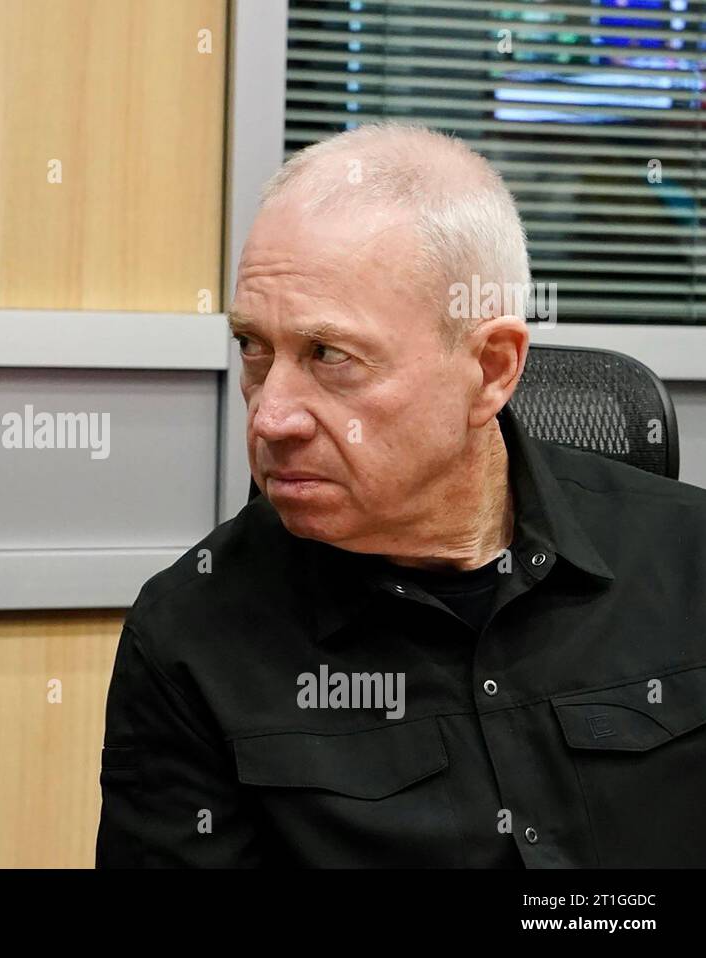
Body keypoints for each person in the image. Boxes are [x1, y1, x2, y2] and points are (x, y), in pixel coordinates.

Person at [97, 122, 706, 867]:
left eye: (330, 356)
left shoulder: (690, 562)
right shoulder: (193, 636)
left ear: (490, 370)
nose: (271, 415)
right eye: (255, 348)